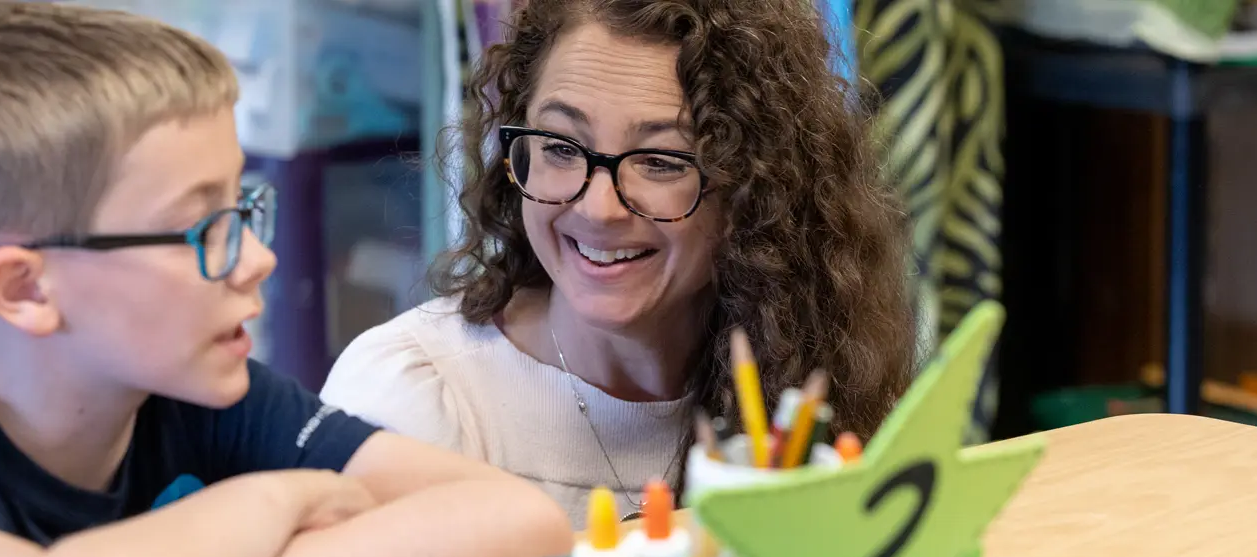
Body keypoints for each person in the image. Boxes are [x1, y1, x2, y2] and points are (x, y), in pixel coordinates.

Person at [0, 3, 571, 557]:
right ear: (26, 289)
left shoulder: (204, 400)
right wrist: (273, 502)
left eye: (244, 209)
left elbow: (514, 520)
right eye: (203, 227)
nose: (259, 258)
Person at [321, 0, 917, 523]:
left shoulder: (809, 382)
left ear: (755, 192)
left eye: (660, 160)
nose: (598, 207)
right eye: (560, 147)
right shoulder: (412, 405)